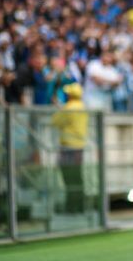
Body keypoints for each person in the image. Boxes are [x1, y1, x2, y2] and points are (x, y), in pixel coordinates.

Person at [51, 83, 88, 213]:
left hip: (68, 147)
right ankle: (80, 206)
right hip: (79, 146)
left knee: (69, 179)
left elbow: (55, 121)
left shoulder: (69, 107)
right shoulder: (82, 106)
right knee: (77, 178)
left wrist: (58, 107)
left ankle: (72, 207)